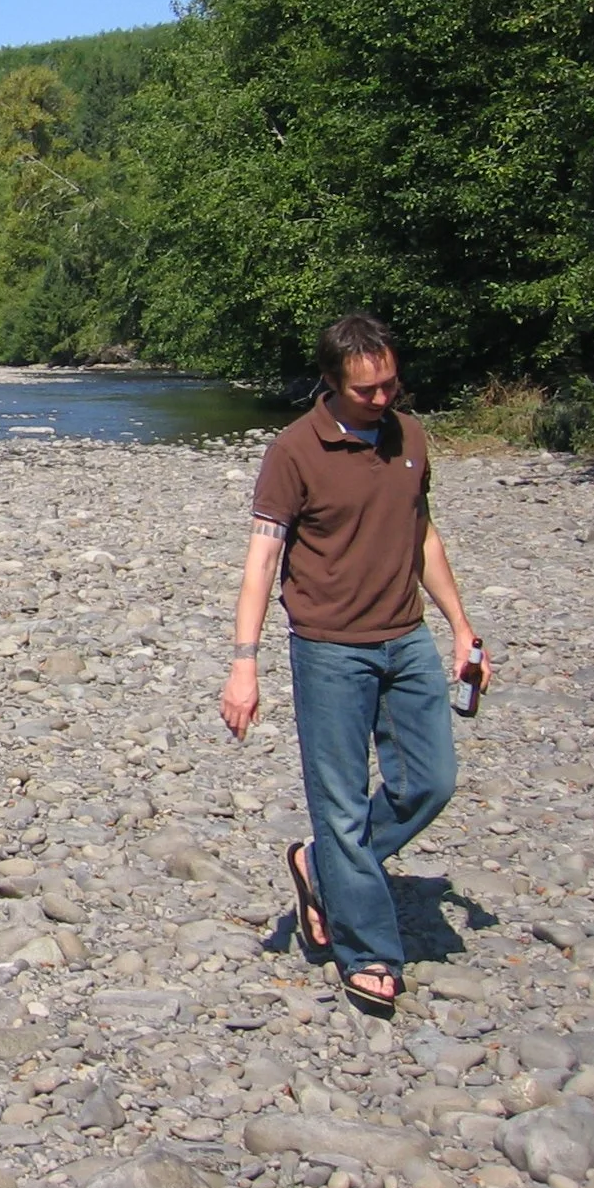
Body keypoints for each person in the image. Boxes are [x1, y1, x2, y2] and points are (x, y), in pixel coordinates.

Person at [220, 312, 490, 1017]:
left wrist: (461, 627)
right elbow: (262, 559)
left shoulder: (410, 435)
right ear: (332, 383)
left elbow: (421, 532)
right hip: (329, 647)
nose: (382, 400)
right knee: (341, 806)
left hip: (406, 639)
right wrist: (243, 664)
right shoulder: (294, 451)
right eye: (367, 390)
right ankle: (368, 949)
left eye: (391, 385)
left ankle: (318, 866)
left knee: (430, 783)